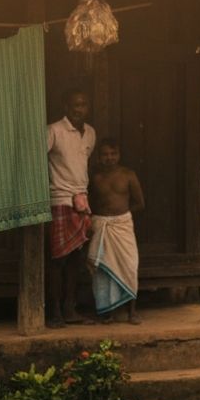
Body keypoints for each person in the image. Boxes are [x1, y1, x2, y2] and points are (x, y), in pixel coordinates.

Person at [46, 89, 96, 328]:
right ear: (66, 107)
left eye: (83, 105)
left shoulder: (90, 133)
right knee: (58, 259)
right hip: (59, 199)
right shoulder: (54, 130)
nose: (79, 109)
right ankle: (55, 310)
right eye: (75, 105)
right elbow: (38, 160)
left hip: (81, 200)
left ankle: (70, 308)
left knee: (76, 258)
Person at [88, 138, 145, 325]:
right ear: (99, 156)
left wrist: (121, 216)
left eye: (113, 154)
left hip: (122, 226)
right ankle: (107, 312)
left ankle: (132, 312)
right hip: (101, 225)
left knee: (129, 266)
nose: (109, 158)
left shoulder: (128, 175)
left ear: (119, 155)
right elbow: (89, 202)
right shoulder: (94, 176)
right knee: (102, 270)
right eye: (105, 154)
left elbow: (139, 203)